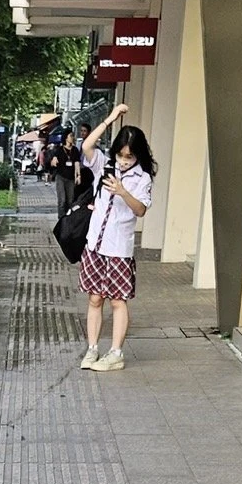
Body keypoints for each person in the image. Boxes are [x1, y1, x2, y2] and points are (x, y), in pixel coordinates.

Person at [76, 104, 156, 371]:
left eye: (129, 157)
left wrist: (123, 191)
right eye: (120, 155)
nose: (123, 161)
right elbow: (87, 146)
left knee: (117, 300)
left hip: (119, 248)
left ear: (137, 155)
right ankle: (92, 349)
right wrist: (110, 118)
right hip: (94, 244)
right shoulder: (104, 164)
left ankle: (116, 353)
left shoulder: (142, 178)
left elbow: (140, 210)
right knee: (95, 298)